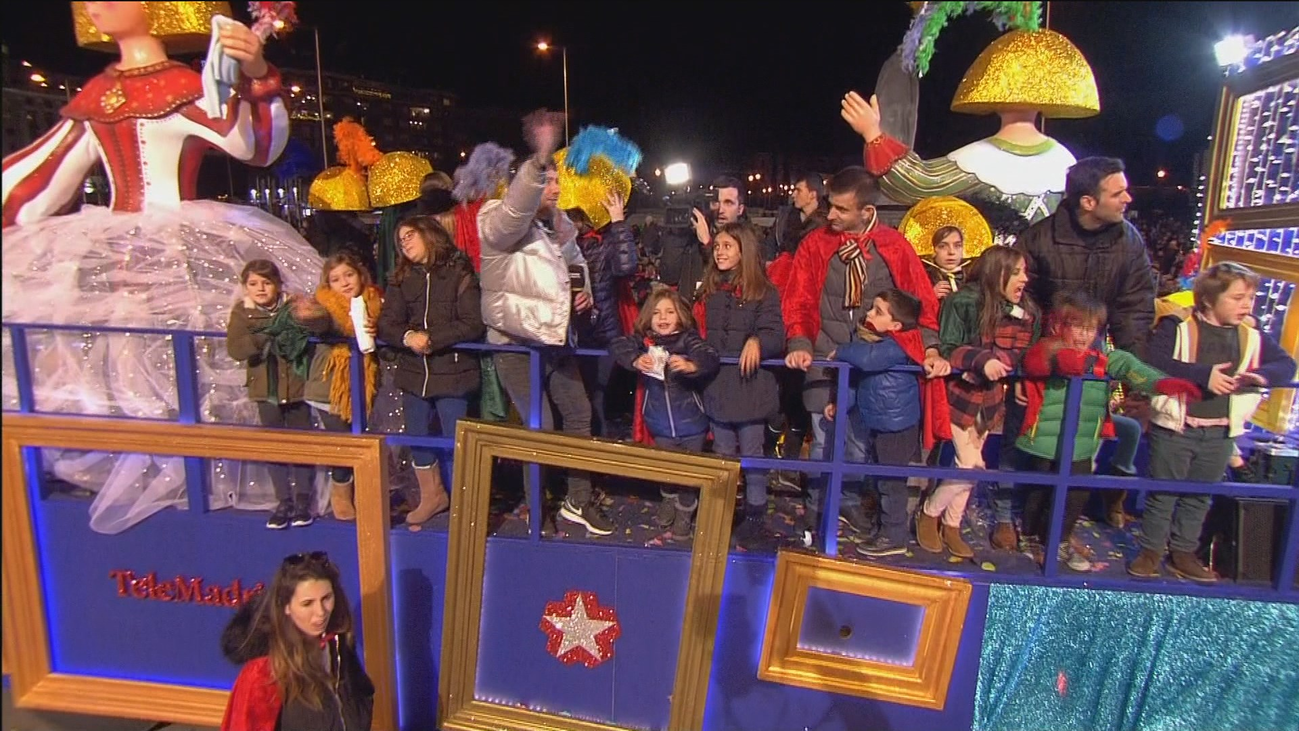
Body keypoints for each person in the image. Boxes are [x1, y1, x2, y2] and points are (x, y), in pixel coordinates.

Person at [1, 1, 320, 534]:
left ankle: (198, 469)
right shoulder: (96, 95)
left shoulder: (183, 85)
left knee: (193, 352)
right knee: (116, 354)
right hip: (112, 244)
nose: (97, 7)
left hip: (181, 238)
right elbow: (43, 180)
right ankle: (139, 461)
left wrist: (260, 74)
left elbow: (253, 144)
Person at [782, 166, 951, 538]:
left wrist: (931, 348)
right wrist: (799, 342)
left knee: (858, 444)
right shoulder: (816, 244)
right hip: (826, 356)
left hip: (870, 368)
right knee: (824, 439)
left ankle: (849, 501)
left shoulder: (894, 247)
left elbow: (920, 303)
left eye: (842, 209)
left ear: (866, 210)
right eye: (830, 206)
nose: (831, 215)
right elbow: (800, 298)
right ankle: (818, 505)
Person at [476, 111, 613, 535]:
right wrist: (536, 162)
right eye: (546, 181)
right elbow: (516, 213)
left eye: (555, 180)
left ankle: (577, 500)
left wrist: (583, 292)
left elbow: (575, 268)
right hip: (515, 343)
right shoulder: (497, 218)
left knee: (579, 413)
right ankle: (537, 509)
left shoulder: (561, 226)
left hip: (555, 340)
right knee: (542, 427)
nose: (554, 187)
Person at [1016, 292, 1200, 571]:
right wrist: (1082, 363)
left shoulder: (1103, 358)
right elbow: (1046, 361)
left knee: (1076, 491)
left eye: (1090, 328)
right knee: (1040, 491)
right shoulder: (1048, 348)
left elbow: (1132, 368)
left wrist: (1165, 384)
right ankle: (1030, 536)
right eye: (1076, 326)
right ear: (1059, 326)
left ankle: (1059, 540)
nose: (1082, 334)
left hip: (1080, 443)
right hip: (1043, 438)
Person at [1136, 263, 1297, 582]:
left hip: (1222, 431)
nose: (1247, 305)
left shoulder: (1251, 335)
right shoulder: (1177, 325)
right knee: (1163, 493)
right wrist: (1202, 375)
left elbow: (1286, 364)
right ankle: (1150, 552)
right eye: (1238, 298)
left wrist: (1260, 376)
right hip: (1176, 427)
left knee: (1199, 496)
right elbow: (1153, 361)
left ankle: (1183, 553)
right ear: (1209, 299)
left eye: (1250, 297)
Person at [915, 247, 1038, 559]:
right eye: (1018, 271)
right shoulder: (963, 301)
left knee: (966, 464)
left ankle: (952, 525)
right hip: (958, 397)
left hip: (991, 400)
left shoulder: (1022, 309)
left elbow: (1024, 351)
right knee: (971, 466)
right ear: (998, 272)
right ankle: (929, 513)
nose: (1025, 278)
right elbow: (949, 346)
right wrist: (979, 362)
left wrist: (1013, 371)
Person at [377, 215, 484, 527]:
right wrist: (408, 337)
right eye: (401, 239)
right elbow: (387, 323)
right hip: (413, 373)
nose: (405, 243)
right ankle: (433, 496)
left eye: (410, 235)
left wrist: (433, 340)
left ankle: (466, 502)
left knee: (456, 440)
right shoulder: (401, 277)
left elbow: (473, 322)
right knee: (418, 435)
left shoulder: (458, 271)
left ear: (429, 234)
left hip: (452, 371)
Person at [695, 222, 787, 551]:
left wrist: (758, 341)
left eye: (727, 247)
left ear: (743, 251)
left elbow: (776, 332)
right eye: (717, 246)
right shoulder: (710, 289)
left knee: (752, 456)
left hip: (750, 389)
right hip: (719, 387)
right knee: (722, 455)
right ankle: (720, 515)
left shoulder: (764, 291)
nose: (720, 251)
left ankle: (755, 518)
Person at [227, 260, 330, 530]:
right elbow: (236, 349)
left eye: (266, 282)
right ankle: (282, 500)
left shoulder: (293, 306)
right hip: (266, 391)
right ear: (245, 287)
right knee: (274, 447)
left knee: (301, 443)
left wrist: (306, 314)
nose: (260, 288)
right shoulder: (242, 313)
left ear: (278, 284)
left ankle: (303, 500)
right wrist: (265, 334)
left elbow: (321, 325)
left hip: (296, 388)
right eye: (253, 284)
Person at [609, 287, 719, 538]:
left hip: (692, 422)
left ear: (680, 315)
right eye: (657, 313)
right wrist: (635, 359)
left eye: (670, 312)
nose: (663, 318)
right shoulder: (645, 341)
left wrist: (692, 364)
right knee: (667, 468)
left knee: (690, 472)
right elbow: (617, 346)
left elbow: (709, 355)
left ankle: (685, 511)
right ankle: (668, 500)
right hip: (659, 422)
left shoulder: (687, 339)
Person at [221, 552, 373, 731]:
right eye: (307, 603)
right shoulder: (262, 672)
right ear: (286, 606)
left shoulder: (338, 644)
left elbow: (361, 696)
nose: (321, 612)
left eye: (326, 598)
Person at [828, 289, 926, 558]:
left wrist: (842, 351)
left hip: (896, 426)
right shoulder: (873, 341)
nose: (869, 314)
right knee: (882, 480)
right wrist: (840, 403)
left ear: (895, 325)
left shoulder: (898, 345)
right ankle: (884, 528)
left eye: (878, 312)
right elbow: (860, 381)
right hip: (881, 422)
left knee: (892, 484)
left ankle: (894, 535)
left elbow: (867, 361)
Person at [304, 252, 382, 521]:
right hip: (331, 387)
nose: (345, 283)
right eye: (336, 279)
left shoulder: (375, 302)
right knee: (343, 441)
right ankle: (341, 493)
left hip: (365, 385)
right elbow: (321, 324)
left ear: (360, 274)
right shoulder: (324, 306)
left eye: (348, 275)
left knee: (363, 440)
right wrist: (307, 316)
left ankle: (365, 492)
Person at [659, 176, 747, 301]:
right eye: (715, 202)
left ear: (740, 209)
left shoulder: (751, 242)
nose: (721, 210)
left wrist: (708, 244)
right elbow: (668, 276)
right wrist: (678, 235)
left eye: (728, 203)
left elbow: (736, 281)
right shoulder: (692, 239)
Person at [762, 172, 827, 264]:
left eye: (799, 190)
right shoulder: (785, 216)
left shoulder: (827, 223)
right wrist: (769, 261)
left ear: (812, 195)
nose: (793, 195)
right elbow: (770, 243)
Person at [924, 226, 971, 302]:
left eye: (957, 246)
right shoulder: (923, 277)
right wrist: (930, 297)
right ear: (933, 250)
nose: (951, 252)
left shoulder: (973, 276)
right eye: (943, 246)